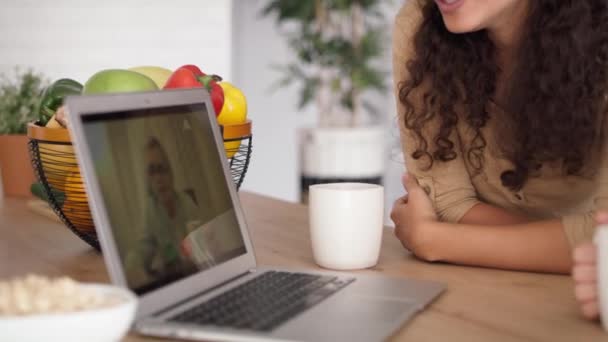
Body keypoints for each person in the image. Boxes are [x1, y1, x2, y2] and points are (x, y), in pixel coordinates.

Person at [390, 0, 608, 317]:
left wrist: (433, 239)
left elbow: (602, 239)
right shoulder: (422, 22)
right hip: (469, 296)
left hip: (577, 305)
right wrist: (563, 245)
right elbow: (447, 202)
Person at [126, 137, 215, 286]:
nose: (159, 178)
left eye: (162, 169)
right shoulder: (150, 210)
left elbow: (203, 239)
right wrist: (131, 267)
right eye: (152, 171)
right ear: (148, 178)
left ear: (170, 172)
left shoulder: (186, 201)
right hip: (174, 281)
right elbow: (142, 248)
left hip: (198, 274)